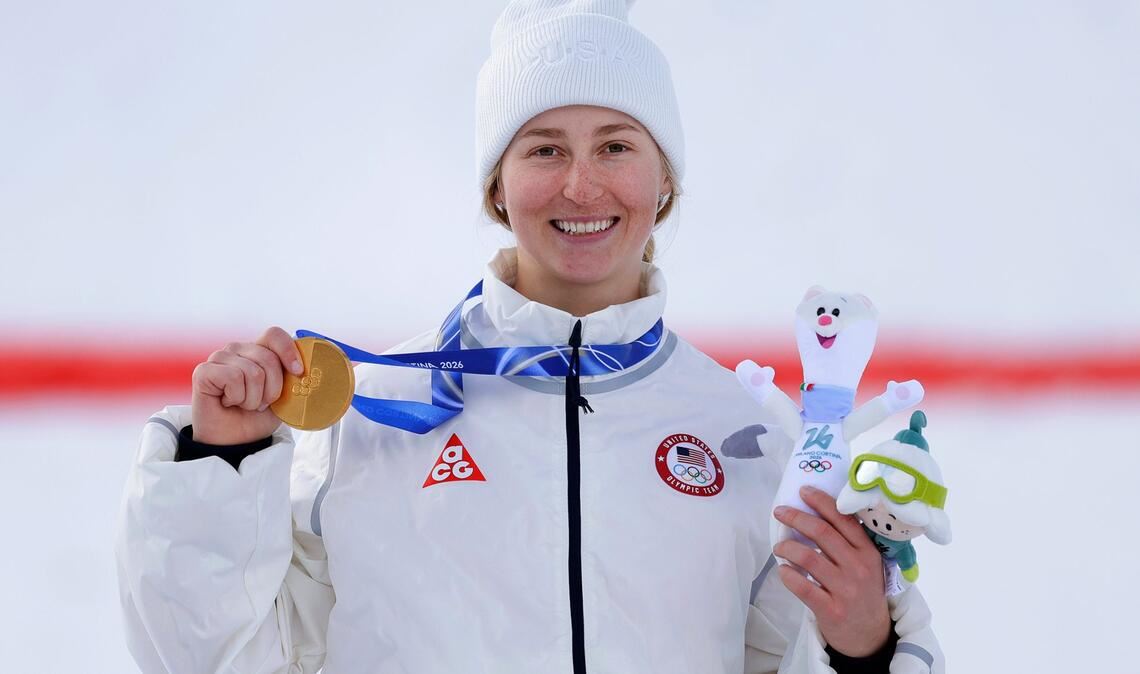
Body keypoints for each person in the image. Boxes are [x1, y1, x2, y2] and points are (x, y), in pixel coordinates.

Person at [115, 1, 944, 672]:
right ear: (498, 188)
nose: (581, 185)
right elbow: (213, 661)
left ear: (663, 184)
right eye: (544, 149)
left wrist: (865, 648)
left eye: (616, 146)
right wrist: (218, 465)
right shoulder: (369, 419)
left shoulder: (752, 440)